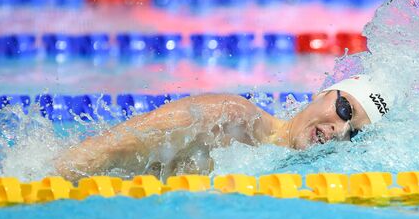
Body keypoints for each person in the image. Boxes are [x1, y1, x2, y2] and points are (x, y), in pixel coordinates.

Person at [55, 74, 391, 182]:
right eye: (345, 108)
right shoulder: (229, 117)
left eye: (354, 131)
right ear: (322, 92)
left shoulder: (292, 175)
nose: (340, 128)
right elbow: (105, 150)